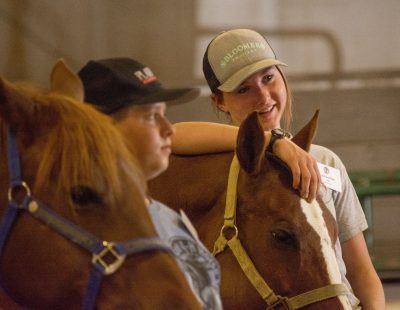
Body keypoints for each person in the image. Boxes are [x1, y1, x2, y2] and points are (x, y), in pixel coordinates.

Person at [77, 57, 320, 309]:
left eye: (163, 114)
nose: (167, 129)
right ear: (102, 128)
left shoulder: (167, 217)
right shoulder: (82, 226)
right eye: (151, 116)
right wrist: (274, 141)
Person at [171, 29, 385, 309]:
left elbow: (360, 271)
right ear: (219, 101)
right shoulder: (222, 164)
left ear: (283, 78)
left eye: (268, 78)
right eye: (243, 89)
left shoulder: (326, 163)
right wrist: (275, 141)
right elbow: (174, 135)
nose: (262, 96)